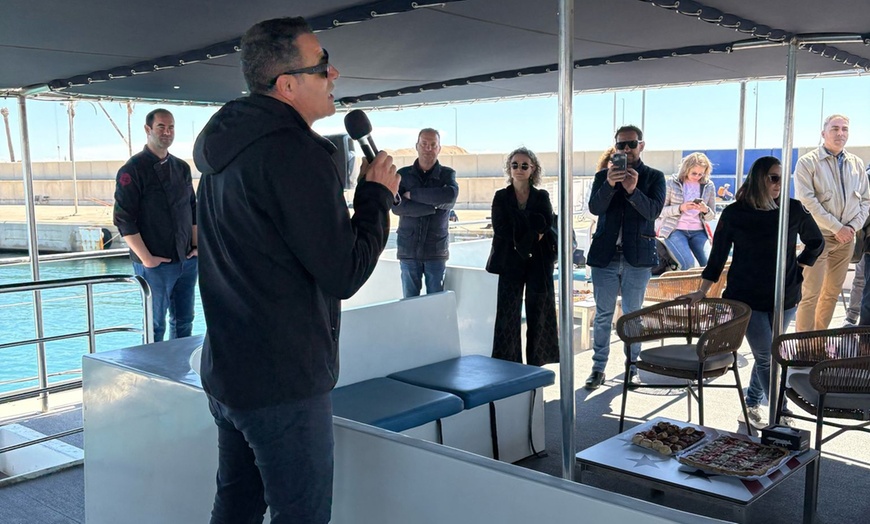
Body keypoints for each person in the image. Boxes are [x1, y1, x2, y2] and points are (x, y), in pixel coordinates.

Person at [193, 17, 400, 524]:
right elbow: (345, 272)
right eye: (323, 66)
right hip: (282, 383)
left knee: (236, 506)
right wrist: (375, 198)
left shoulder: (223, 150)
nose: (335, 73)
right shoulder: (294, 154)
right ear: (287, 85)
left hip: (228, 371)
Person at [682, 156, 823, 429]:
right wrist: (702, 290)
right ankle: (781, 414)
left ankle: (752, 403)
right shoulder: (735, 213)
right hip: (746, 296)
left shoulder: (792, 210)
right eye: (773, 177)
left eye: (782, 178)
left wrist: (799, 268)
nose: (779, 183)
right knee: (767, 355)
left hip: (786, 295)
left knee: (767, 354)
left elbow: (815, 242)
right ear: (758, 178)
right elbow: (718, 257)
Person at [584, 125, 666, 390]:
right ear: (615, 147)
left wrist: (633, 190)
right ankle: (598, 368)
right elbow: (595, 208)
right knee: (603, 315)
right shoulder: (602, 177)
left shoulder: (654, 177)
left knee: (633, 316)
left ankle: (632, 367)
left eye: (631, 144)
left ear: (641, 145)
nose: (626, 150)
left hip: (637, 257)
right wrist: (609, 184)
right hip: (605, 256)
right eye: (621, 145)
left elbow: (652, 212)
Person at [113, 108, 197, 342]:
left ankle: (179, 372)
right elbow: (123, 219)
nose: (167, 132)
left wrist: (196, 247)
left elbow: (192, 208)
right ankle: (152, 375)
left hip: (186, 260)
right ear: (148, 129)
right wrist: (147, 259)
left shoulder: (182, 168)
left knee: (184, 321)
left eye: (171, 127)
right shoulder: (132, 170)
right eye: (161, 126)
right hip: (154, 264)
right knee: (155, 325)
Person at [794, 114, 870, 331]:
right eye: (835, 128)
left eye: (844, 129)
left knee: (831, 294)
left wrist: (852, 228)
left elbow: (866, 200)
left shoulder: (856, 164)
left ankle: (819, 339)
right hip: (818, 238)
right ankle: (802, 344)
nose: (840, 133)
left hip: (846, 239)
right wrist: (837, 228)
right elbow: (808, 201)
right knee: (811, 293)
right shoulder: (807, 163)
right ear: (823, 133)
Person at [488, 148, 559, 366]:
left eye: (524, 165)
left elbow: (545, 223)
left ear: (533, 169)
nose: (519, 169)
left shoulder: (541, 196)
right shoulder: (501, 196)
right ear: (509, 169)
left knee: (540, 310)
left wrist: (522, 225)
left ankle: (537, 363)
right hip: (509, 262)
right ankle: (508, 364)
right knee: (507, 314)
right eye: (515, 165)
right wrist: (530, 227)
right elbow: (501, 228)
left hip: (538, 262)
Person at [393, 128, 459, 297]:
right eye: (424, 144)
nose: (428, 148)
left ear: (439, 148)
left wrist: (413, 195)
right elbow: (397, 206)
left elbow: (449, 198)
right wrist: (432, 207)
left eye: (432, 144)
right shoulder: (402, 175)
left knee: (436, 303)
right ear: (417, 146)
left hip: (436, 251)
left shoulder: (447, 174)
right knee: (409, 303)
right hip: (408, 251)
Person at [657, 152, 717, 270]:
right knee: (688, 264)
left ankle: (703, 289)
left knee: (710, 265)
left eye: (701, 174)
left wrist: (705, 210)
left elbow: (711, 216)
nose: (697, 176)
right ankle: (686, 287)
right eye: (694, 173)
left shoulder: (709, 186)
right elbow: (660, 211)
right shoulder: (671, 182)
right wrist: (681, 208)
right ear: (686, 169)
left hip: (699, 231)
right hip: (675, 230)